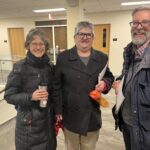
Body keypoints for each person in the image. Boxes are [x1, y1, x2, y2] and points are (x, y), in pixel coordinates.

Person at [53, 21, 114, 150]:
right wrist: (57, 109)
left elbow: (109, 76)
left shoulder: (102, 57)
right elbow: (56, 85)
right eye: (81, 34)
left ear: (93, 37)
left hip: (92, 112)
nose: (84, 37)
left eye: (88, 34)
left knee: (89, 147)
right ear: (75, 37)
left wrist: (105, 84)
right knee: (71, 147)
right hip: (70, 112)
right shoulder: (63, 58)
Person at [4, 28, 56, 150]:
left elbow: (55, 92)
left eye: (41, 44)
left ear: (46, 46)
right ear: (28, 45)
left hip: (47, 124)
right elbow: (9, 95)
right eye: (34, 44)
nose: (38, 47)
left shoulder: (50, 67)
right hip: (28, 128)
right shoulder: (20, 67)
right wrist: (30, 96)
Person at [113, 6, 150, 150]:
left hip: (145, 129)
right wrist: (120, 82)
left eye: (145, 22)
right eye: (135, 23)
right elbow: (127, 74)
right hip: (127, 123)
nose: (139, 27)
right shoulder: (130, 51)